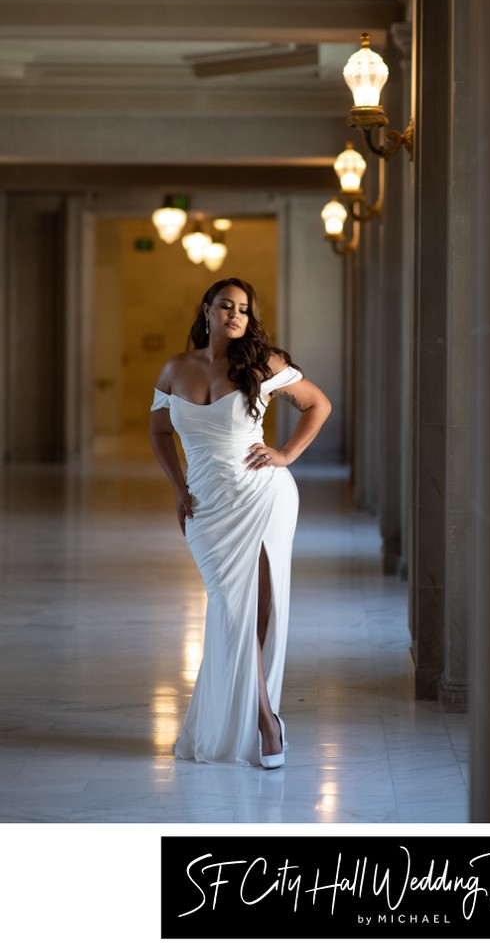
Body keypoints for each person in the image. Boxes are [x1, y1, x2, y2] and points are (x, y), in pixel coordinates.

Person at [149, 277, 331, 768]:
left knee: (263, 609)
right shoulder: (175, 369)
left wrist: (286, 454)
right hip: (206, 506)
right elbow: (160, 431)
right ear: (206, 310)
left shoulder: (262, 362)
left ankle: (262, 712)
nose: (234, 315)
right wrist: (177, 486)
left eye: (244, 310)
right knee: (232, 609)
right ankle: (266, 720)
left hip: (264, 496)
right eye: (225, 306)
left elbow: (319, 404)